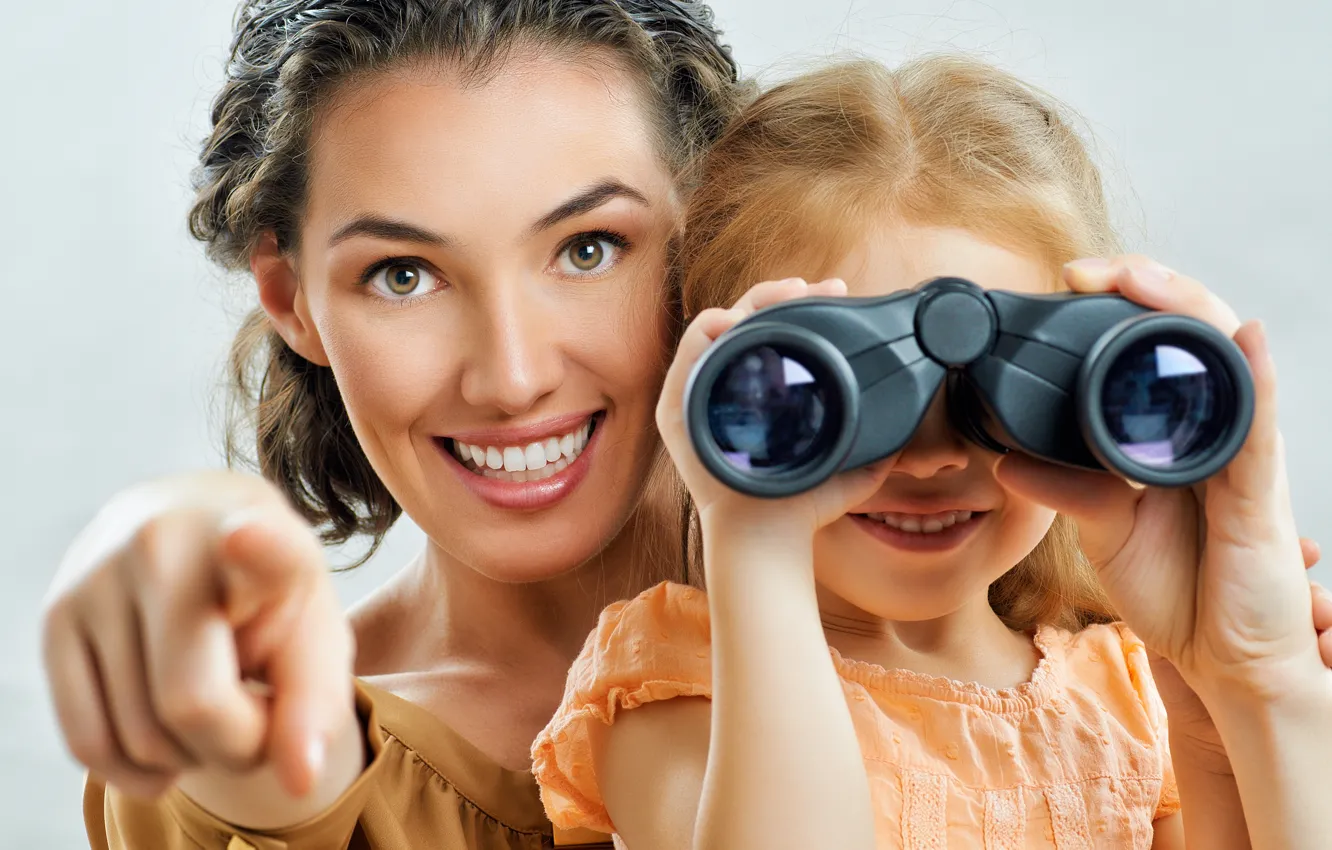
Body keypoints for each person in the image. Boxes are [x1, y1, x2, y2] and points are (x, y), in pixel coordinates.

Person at [530, 56, 1332, 849]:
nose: (930, 457)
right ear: (720, 393)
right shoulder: (675, 683)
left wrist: (1257, 687)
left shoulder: (1130, 695)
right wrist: (753, 540)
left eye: (993, 397)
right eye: (850, 399)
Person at [40, 1, 748, 848]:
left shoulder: (911, 580)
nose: (513, 379)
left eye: (587, 248)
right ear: (290, 298)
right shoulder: (246, 770)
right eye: (404, 275)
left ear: (706, 233)